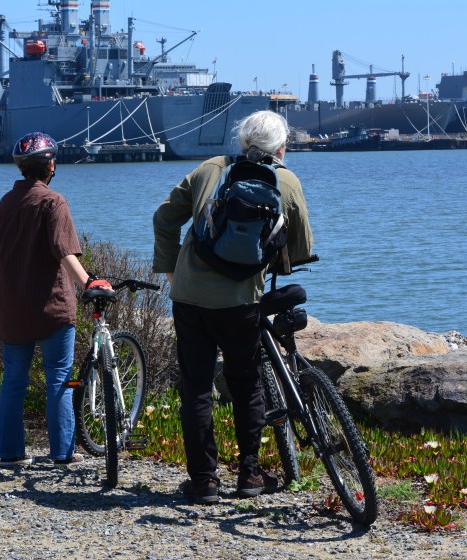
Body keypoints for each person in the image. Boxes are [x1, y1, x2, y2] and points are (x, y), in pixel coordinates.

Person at [152, 111, 314, 503]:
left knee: (196, 389)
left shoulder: (209, 169)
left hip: (190, 298)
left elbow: (163, 218)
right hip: (242, 301)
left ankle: (205, 481)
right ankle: (250, 474)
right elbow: (302, 247)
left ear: (242, 142)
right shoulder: (286, 180)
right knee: (245, 384)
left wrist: (172, 269)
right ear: (281, 147)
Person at [0, 131, 110, 467]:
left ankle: (11, 453)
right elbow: (63, 251)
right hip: (51, 306)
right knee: (59, 378)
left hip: (12, 304)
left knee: (14, 380)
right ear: (50, 165)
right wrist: (89, 282)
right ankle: (63, 453)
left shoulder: (6, 202)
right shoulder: (53, 201)